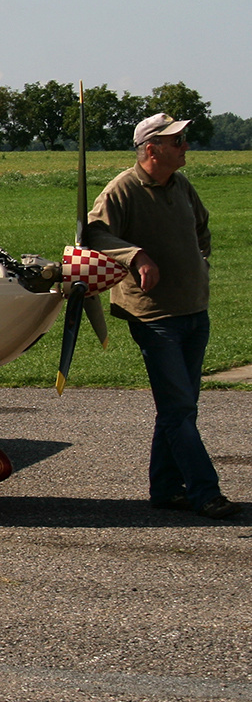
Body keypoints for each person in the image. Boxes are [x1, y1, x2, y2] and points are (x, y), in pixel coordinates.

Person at [85, 112, 240, 519]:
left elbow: (202, 228)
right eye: (177, 141)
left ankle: (167, 489)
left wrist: (200, 263)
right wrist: (136, 256)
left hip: (194, 311)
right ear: (152, 149)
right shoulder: (123, 189)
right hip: (155, 318)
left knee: (181, 405)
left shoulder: (182, 186)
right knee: (179, 408)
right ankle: (205, 492)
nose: (185, 146)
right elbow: (93, 233)